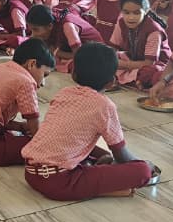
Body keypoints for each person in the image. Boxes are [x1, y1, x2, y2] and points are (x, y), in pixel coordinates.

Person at [22, 43, 159, 200]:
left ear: (73, 74)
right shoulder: (104, 105)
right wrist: (145, 164)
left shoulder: (63, 93)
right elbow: (121, 155)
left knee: (99, 152)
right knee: (141, 171)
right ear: (111, 82)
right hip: (60, 182)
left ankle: (96, 181)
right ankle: (103, 190)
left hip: (31, 174)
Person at [109, 0, 171, 89]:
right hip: (133, 61)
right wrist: (110, 61)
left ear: (146, 11)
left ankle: (137, 80)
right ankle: (135, 81)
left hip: (154, 65)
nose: (131, 18)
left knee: (149, 73)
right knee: (101, 58)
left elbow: (149, 63)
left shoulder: (154, 31)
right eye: (126, 12)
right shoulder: (121, 22)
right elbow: (112, 49)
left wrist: (120, 64)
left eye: (136, 13)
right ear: (121, 11)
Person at [26, 4, 104, 72]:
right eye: (31, 30)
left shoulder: (67, 26)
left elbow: (80, 56)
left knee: (77, 66)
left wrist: (56, 52)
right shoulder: (52, 19)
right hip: (72, 50)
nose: (33, 34)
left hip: (94, 53)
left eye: (35, 29)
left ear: (50, 26)